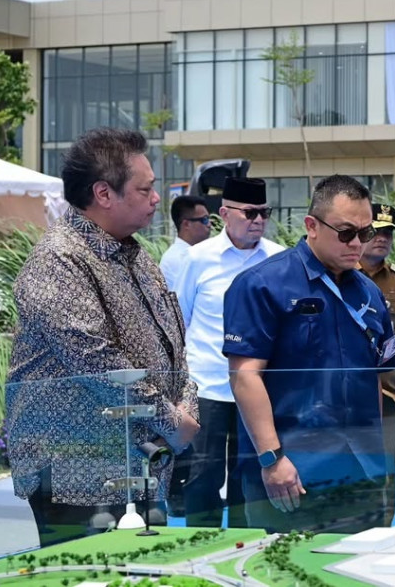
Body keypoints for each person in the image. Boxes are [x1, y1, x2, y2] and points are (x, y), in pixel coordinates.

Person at [5, 127, 200, 546]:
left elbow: (174, 347)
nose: (155, 199)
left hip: (140, 466)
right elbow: (95, 361)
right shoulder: (60, 259)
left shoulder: (135, 253)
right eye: (145, 188)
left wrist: (186, 402)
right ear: (104, 193)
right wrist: (171, 420)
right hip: (77, 473)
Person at [223, 175, 395, 533]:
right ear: (312, 226)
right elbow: (244, 376)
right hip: (293, 472)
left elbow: (376, 378)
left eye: (365, 233)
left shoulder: (369, 293)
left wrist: (380, 459)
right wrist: (272, 458)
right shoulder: (262, 284)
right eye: (347, 233)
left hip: (360, 471)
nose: (358, 244)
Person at [174, 177, 284, 527]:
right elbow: (180, 321)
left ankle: (242, 551)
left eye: (265, 213)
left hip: (256, 388)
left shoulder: (279, 259)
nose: (258, 220)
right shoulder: (197, 259)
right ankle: (197, 551)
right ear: (224, 214)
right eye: (250, 213)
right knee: (201, 475)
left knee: (248, 476)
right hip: (207, 385)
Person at [358, 202, 395, 525]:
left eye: (388, 233)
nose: (382, 239)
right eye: (376, 232)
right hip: (344, 391)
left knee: (385, 466)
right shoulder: (338, 275)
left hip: (385, 391)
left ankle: (384, 526)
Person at [159, 195, 211, 290]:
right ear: (186, 224)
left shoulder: (195, 253)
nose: (209, 224)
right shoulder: (177, 258)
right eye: (204, 220)